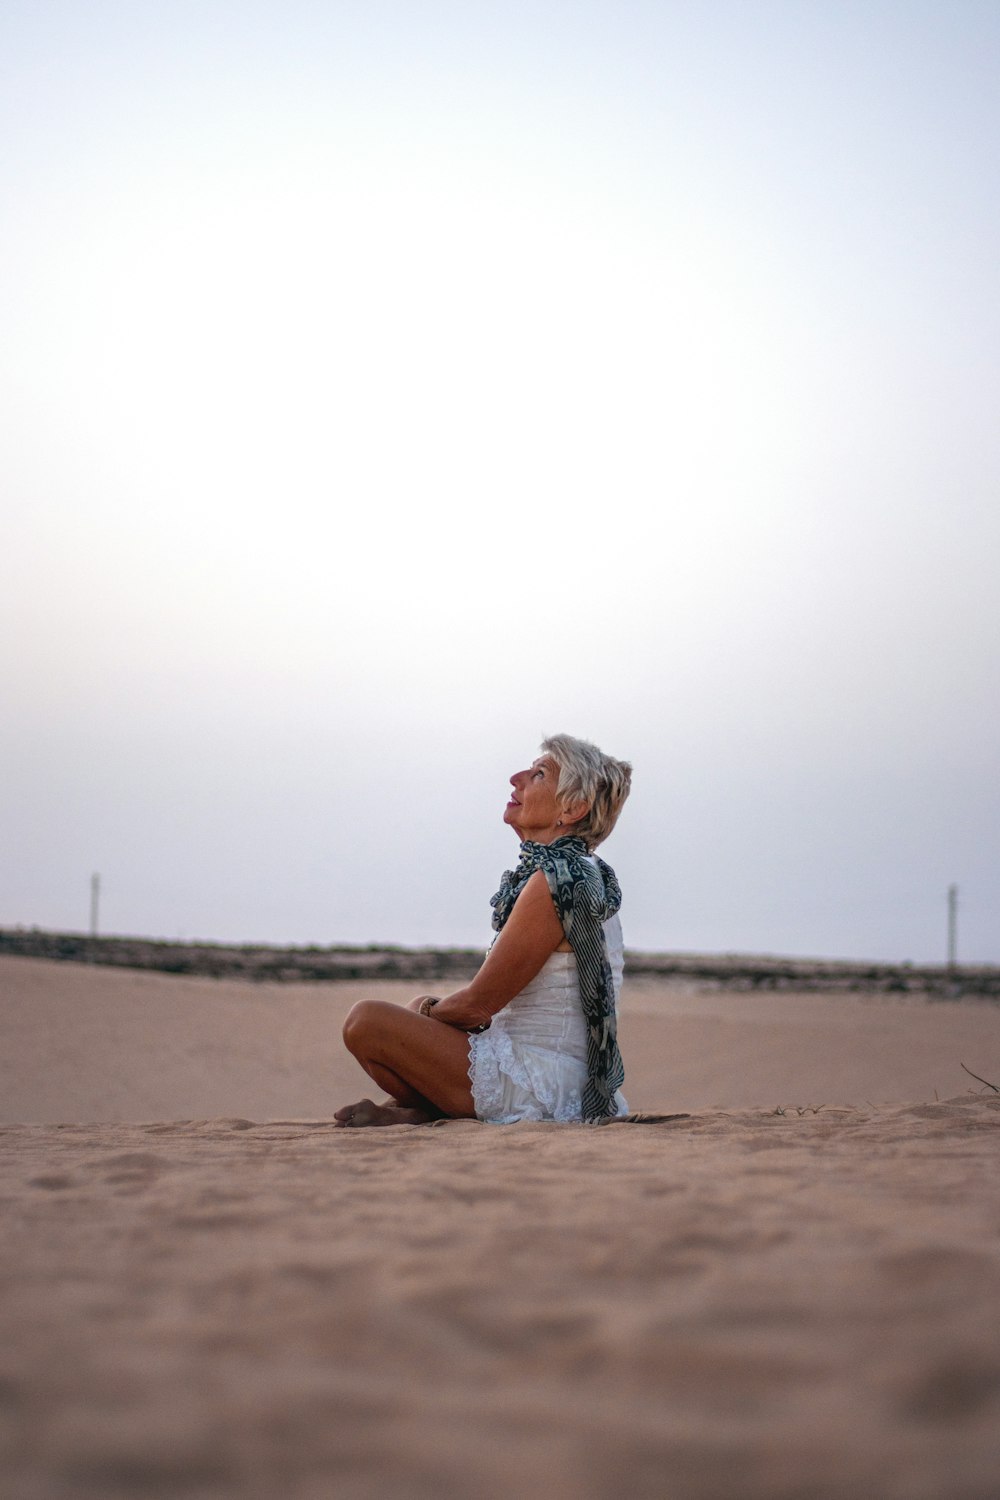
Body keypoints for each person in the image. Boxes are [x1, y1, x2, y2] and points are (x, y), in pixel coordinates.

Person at [334, 733, 633, 1127]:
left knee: (366, 1022)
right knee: (415, 1008)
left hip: (543, 1085)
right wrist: (428, 1013)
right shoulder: (579, 873)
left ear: (573, 808)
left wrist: (429, 1015)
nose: (517, 778)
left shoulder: (555, 881)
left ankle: (419, 1111)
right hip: (546, 1069)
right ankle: (414, 1111)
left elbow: (478, 1006)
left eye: (539, 774)